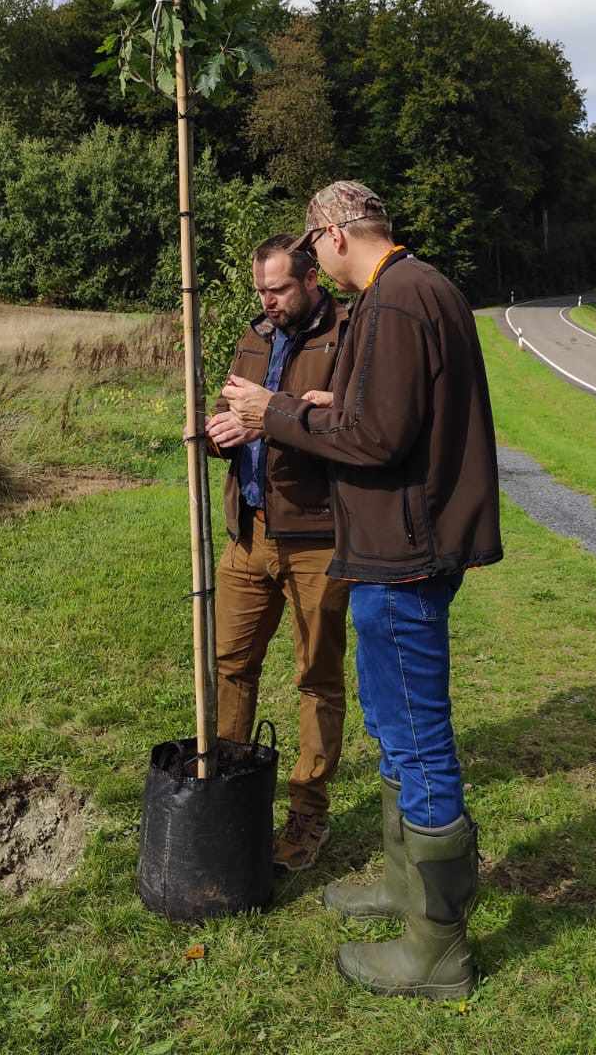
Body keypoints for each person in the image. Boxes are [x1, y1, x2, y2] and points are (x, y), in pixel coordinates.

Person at [222, 182, 501, 1000]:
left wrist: (278, 412)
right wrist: (327, 404)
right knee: (392, 722)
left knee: (417, 739)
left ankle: (436, 948)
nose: (314, 267)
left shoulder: (396, 301)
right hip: (397, 544)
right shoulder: (417, 289)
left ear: (335, 235)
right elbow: (390, 416)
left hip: (401, 553)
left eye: (312, 253)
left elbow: (376, 441)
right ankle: (403, 884)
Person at [204, 233, 349, 872]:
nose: (268, 301)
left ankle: (306, 814)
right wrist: (220, 432)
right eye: (260, 290)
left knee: (316, 677)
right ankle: (230, 798)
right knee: (229, 665)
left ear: (312, 278)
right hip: (249, 531)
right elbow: (227, 410)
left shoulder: (345, 336)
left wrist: (273, 415)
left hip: (317, 537)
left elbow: (354, 430)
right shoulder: (255, 333)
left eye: (280, 289)